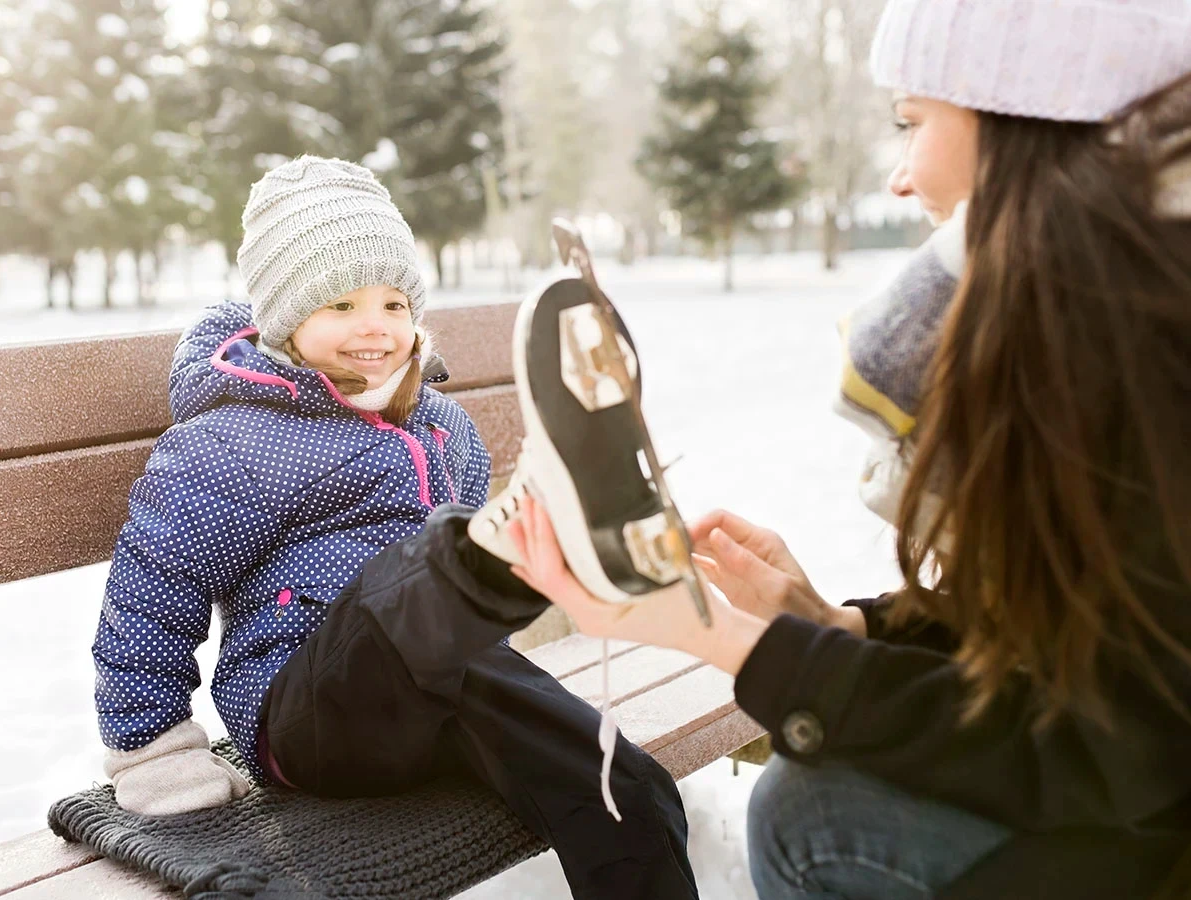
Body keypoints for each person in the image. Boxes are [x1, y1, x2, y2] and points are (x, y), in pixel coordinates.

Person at [499, 1, 1191, 896]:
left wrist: (745, 649)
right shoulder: (1127, 310)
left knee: (812, 815)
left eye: (914, 123)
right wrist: (846, 630)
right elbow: (1092, 643)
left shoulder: (1150, 364)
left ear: (1033, 121)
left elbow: (1113, 743)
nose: (901, 178)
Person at [92, 156, 699, 900]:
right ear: (287, 319)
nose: (373, 328)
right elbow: (152, 590)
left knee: (623, 789)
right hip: (307, 715)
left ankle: (551, 522)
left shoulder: (443, 426)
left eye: (393, 304)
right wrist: (149, 752)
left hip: (446, 693)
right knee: (422, 574)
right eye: (340, 307)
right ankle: (532, 520)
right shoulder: (233, 442)